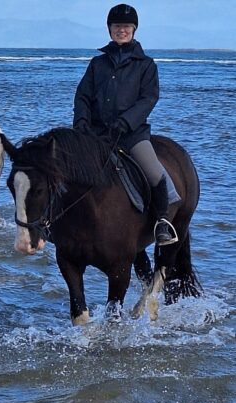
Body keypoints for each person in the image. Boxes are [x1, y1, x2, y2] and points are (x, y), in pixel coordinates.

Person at [73, 4, 177, 246]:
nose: (122, 30)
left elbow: (148, 98)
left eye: (126, 26)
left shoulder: (146, 65)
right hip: (96, 133)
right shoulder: (97, 64)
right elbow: (83, 96)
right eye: (117, 26)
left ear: (134, 30)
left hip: (131, 134)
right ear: (110, 30)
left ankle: (162, 222)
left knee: (154, 173)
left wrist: (125, 122)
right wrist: (81, 122)